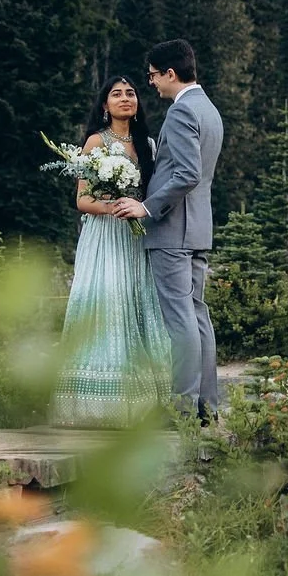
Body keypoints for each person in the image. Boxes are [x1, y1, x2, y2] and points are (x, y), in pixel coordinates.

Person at [113, 39, 223, 421]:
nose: (152, 84)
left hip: (173, 230)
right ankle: (208, 405)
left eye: (153, 76)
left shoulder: (180, 113)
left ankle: (182, 409)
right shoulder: (209, 110)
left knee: (180, 320)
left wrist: (145, 207)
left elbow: (187, 174)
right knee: (197, 316)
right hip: (197, 230)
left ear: (170, 73)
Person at [54, 75, 172, 426]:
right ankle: (101, 407)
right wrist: (111, 207)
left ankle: (150, 402)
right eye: (117, 94)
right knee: (109, 302)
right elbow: (81, 199)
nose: (125, 98)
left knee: (140, 304)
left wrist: (137, 207)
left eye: (131, 93)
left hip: (137, 236)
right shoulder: (96, 142)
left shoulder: (147, 144)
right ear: (105, 105)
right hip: (105, 236)